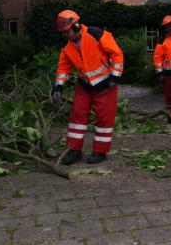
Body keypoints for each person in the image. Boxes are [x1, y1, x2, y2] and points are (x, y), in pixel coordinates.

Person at [51, 10, 124, 165]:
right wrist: (58, 86)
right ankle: (73, 150)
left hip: (105, 83)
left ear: (76, 25)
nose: (67, 35)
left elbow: (116, 53)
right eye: (64, 33)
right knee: (77, 116)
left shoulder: (96, 34)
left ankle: (100, 151)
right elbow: (63, 68)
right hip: (84, 84)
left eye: (68, 31)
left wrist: (115, 75)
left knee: (104, 118)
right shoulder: (68, 48)